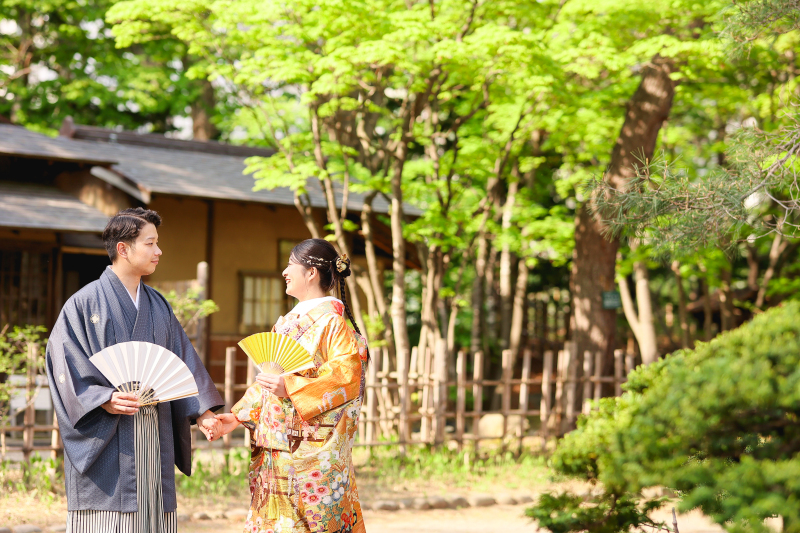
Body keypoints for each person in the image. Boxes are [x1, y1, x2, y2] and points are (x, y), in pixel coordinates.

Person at [45, 207, 223, 533]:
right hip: (108, 433)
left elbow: (182, 361)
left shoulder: (158, 305)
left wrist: (204, 412)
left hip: (154, 432)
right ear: (123, 249)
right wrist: (102, 398)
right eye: (150, 243)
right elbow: (65, 363)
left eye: (157, 243)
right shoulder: (84, 304)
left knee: (152, 516)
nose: (158, 251)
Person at [214, 238, 369, 533]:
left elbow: (346, 376)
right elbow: (271, 379)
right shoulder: (288, 322)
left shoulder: (333, 324)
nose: (285, 271)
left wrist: (292, 388)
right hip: (276, 447)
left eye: (290, 265)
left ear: (311, 273)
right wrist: (236, 416)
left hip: (309, 451)